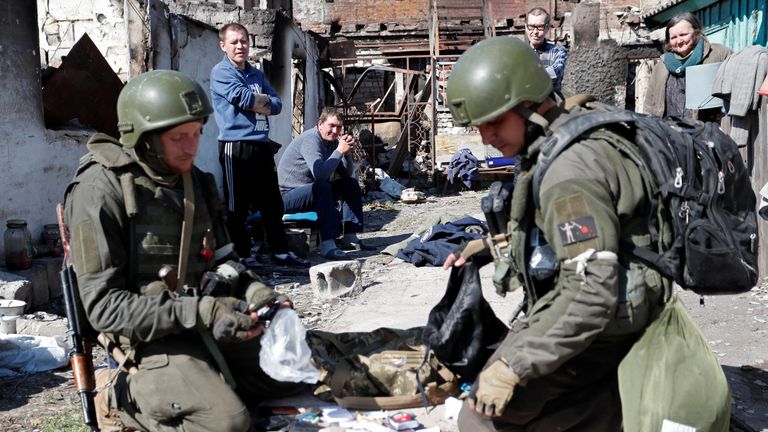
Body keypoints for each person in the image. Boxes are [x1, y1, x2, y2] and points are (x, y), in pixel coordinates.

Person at [443, 37, 669, 430]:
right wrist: (492, 248)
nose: (485, 138)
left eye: (494, 121)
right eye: (479, 126)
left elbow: (590, 293)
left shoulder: (569, 173)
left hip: (609, 325)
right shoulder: (572, 125)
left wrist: (515, 366)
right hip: (626, 303)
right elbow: (570, 237)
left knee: (479, 415)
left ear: (529, 104)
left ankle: (603, 407)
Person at [64, 70, 304, 431]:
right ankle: (116, 401)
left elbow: (224, 260)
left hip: (200, 321)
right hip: (144, 341)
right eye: (178, 137)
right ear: (143, 138)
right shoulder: (101, 190)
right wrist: (203, 312)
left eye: (196, 134)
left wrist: (258, 294)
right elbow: (103, 307)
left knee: (294, 369)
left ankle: (209, 380)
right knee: (228, 422)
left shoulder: (198, 183)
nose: (191, 147)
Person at [210, 22, 308, 267]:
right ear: (224, 46)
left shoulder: (255, 74)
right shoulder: (221, 73)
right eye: (234, 42)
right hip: (236, 146)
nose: (240, 46)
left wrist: (259, 101)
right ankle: (243, 255)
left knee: (272, 204)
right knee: (237, 206)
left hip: (261, 145)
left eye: (243, 40)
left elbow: (277, 104)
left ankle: (280, 252)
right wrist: (260, 101)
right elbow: (244, 99)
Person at [277, 108, 373, 260]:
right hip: (288, 196)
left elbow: (345, 174)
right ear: (320, 124)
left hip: (312, 193)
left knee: (350, 184)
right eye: (331, 125)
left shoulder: (332, 142)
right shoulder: (311, 140)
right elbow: (320, 175)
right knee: (323, 186)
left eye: (339, 127)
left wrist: (346, 155)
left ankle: (350, 237)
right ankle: (328, 246)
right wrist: (339, 151)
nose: (335, 131)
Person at [644, 12, 731, 121]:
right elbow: (649, 103)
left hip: (707, 130)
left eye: (683, 35)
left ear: (697, 33)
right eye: (673, 37)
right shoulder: (662, 65)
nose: (679, 41)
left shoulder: (719, 54)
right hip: (669, 131)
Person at [526, 8, 567, 94]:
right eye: (531, 27)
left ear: (547, 28)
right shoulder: (520, 51)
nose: (535, 32)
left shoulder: (558, 51)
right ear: (526, 27)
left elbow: (555, 73)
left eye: (540, 27)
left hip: (551, 101)